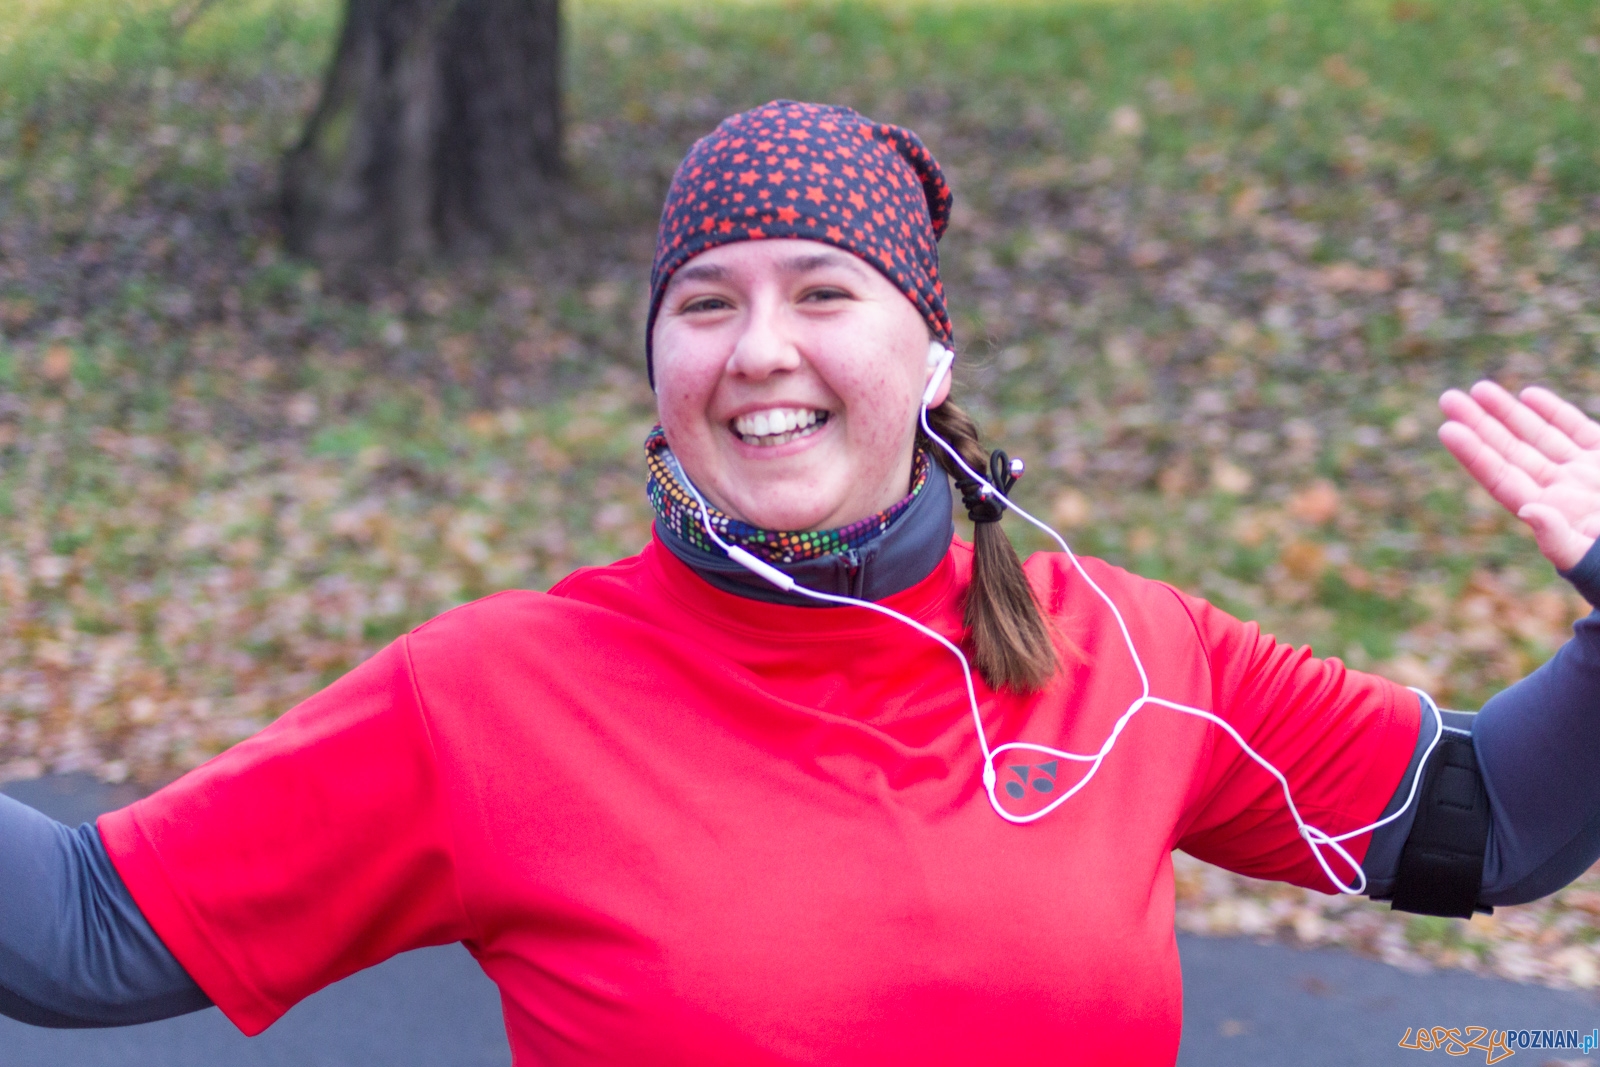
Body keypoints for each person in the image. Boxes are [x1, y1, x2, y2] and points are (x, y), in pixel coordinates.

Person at [4, 99, 1600, 1065]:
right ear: (659, 368)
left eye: (823, 291)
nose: (761, 348)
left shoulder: (1127, 649)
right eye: (705, 303)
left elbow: (1495, 825)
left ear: (933, 348)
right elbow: (84, 930)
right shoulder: (486, 696)